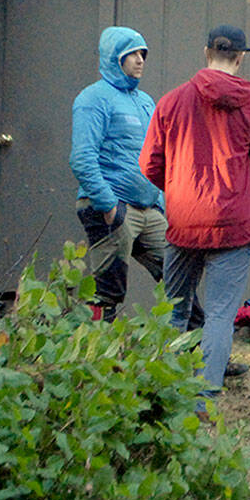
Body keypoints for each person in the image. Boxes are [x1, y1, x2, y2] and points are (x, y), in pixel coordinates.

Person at [140, 25, 250, 414]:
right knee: (220, 313)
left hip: (183, 222)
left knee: (173, 307)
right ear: (240, 57)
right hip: (231, 224)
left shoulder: (171, 102)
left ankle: (163, 384)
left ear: (206, 53)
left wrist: (176, 188)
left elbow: (149, 164)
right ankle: (205, 396)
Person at [69, 26, 167, 323]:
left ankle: (202, 356)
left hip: (149, 210)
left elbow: (158, 156)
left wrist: (160, 203)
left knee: (178, 275)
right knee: (107, 292)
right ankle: (95, 359)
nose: (140, 60)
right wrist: (109, 206)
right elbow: (82, 158)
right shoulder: (93, 99)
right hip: (111, 208)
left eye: (143, 54)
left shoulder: (146, 101)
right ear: (115, 57)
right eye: (132, 54)